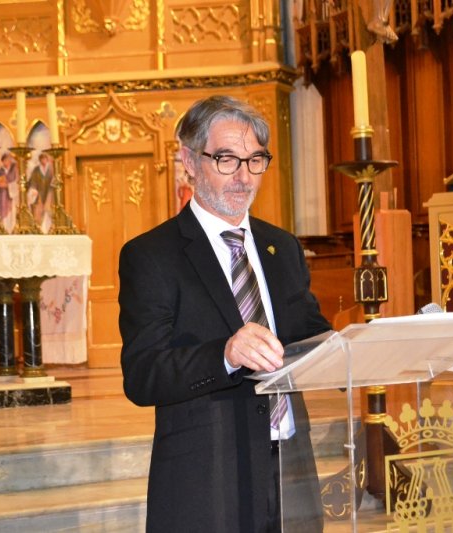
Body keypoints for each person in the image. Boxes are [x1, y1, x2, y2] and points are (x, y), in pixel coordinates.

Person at [118, 95, 330, 532]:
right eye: (227, 159)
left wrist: (369, 340)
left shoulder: (283, 248)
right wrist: (227, 354)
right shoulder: (152, 255)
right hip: (208, 474)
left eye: (255, 160)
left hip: (289, 466)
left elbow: (312, 337)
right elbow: (143, 375)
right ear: (189, 161)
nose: (244, 177)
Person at [27, 152, 54, 230]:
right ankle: (39, 227)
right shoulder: (36, 170)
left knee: (49, 209)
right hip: (39, 193)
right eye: (42, 159)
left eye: (45, 159)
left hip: (49, 193)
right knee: (39, 210)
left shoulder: (51, 169)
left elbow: (54, 180)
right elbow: (33, 181)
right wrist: (33, 189)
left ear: (47, 160)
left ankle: (49, 227)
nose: (43, 161)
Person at [0, 152, 18, 232]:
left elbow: (16, 181)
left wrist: (8, 185)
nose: (5, 162)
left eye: (7, 160)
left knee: (12, 212)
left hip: (12, 194)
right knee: (2, 210)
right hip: (2, 194)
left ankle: (12, 228)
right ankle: (4, 228)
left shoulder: (14, 168)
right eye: (4, 161)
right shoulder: (1, 170)